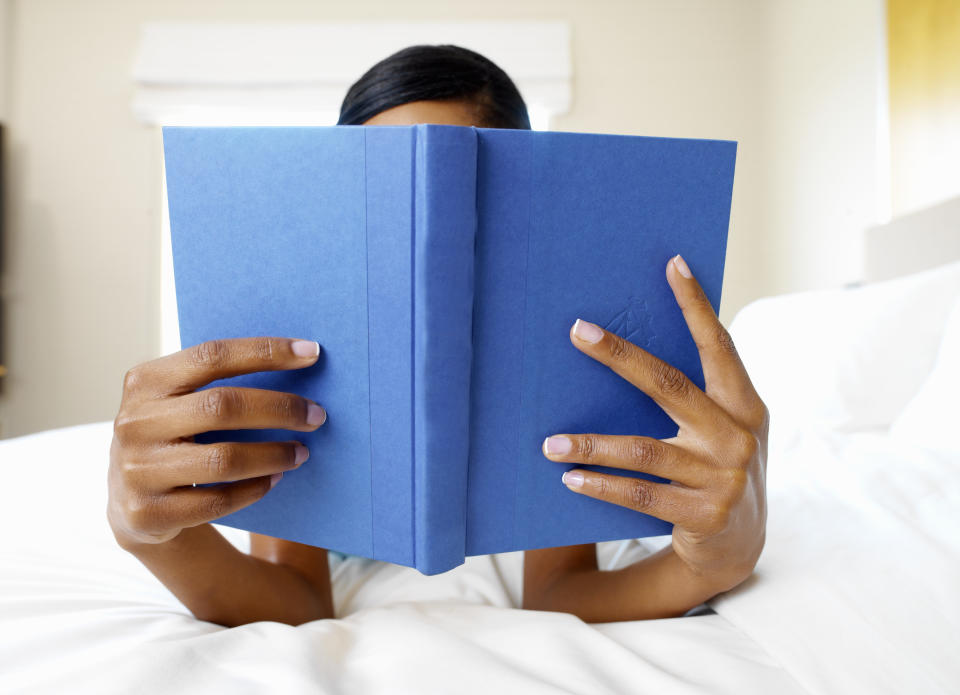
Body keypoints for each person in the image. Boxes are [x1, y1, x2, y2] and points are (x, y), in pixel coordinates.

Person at [107, 45, 767, 627]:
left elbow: (560, 592)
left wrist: (710, 566)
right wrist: (152, 538)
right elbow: (298, 602)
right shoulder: (296, 329)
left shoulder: (551, 341)